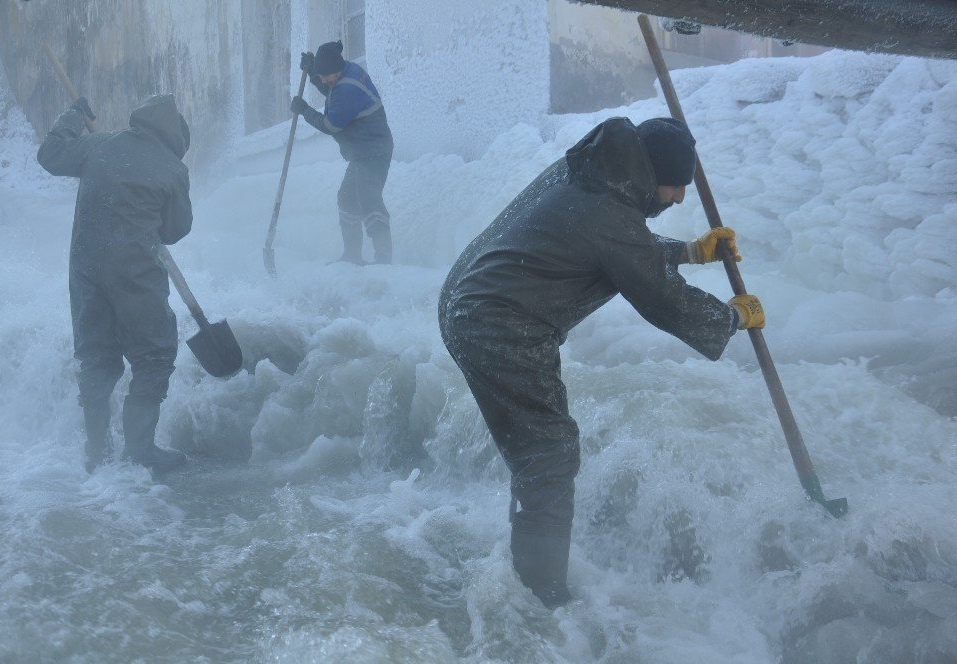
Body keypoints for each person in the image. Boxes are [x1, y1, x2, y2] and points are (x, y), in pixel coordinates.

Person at [438, 117, 765, 608]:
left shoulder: (591, 174)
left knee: (541, 453)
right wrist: (731, 317)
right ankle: (541, 598)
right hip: (499, 324)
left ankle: (531, 575)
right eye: (677, 185)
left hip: (469, 304)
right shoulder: (608, 209)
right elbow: (662, 298)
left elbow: (612, 241)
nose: (678, 198)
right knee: (548, 455)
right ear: (652, 173)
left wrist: (689, 251)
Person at [37, 93, 193, 475]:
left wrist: (73, 114)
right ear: (176, 138)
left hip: (86, 270)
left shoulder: (99, 144)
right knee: (154, 356)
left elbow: (50, 154)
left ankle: (97, 450)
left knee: (96, 358)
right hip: (135, 275)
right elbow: (175, 230)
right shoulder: (173, 169)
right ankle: (140, 451)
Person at [291, 40, 394, 264]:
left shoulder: (347, 88)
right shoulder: (344, 71)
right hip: (363, 150)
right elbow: (331, 88)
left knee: (369, 200)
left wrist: (305, 111)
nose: (325, 81)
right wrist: (313, 74)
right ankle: (352, 256)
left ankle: (384, 259)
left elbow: (331, 125)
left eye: (326, 76)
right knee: (347, 198)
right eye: (323, 76)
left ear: (335, 69)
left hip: (374, 150)